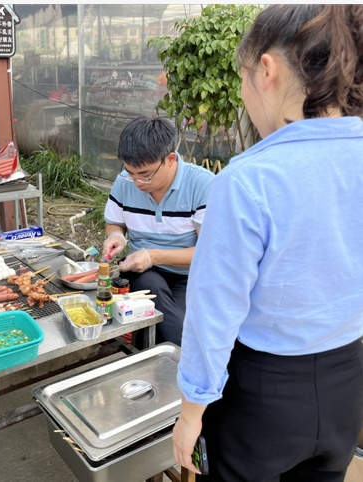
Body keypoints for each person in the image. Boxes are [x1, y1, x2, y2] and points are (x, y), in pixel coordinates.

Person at [173, 5, 363, 481]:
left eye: (242, 78)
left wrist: (192, 411)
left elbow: (214, 311)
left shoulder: (248, 179)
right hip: (347, 381)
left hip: (261, 395)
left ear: (266, 69)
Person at [101, 117, 215, 346]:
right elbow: (114, 223)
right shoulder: (125, 182)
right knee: (152, 289)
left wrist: (153, 256)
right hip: (143, 271)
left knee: (173, 322)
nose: (137, 182)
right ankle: (183, 354)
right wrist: (116, 236)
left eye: (145, 175)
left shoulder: (203, 185)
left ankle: (170, 353)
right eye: (130, 173)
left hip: (189, 275)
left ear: (170, 159)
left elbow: (210, 252)